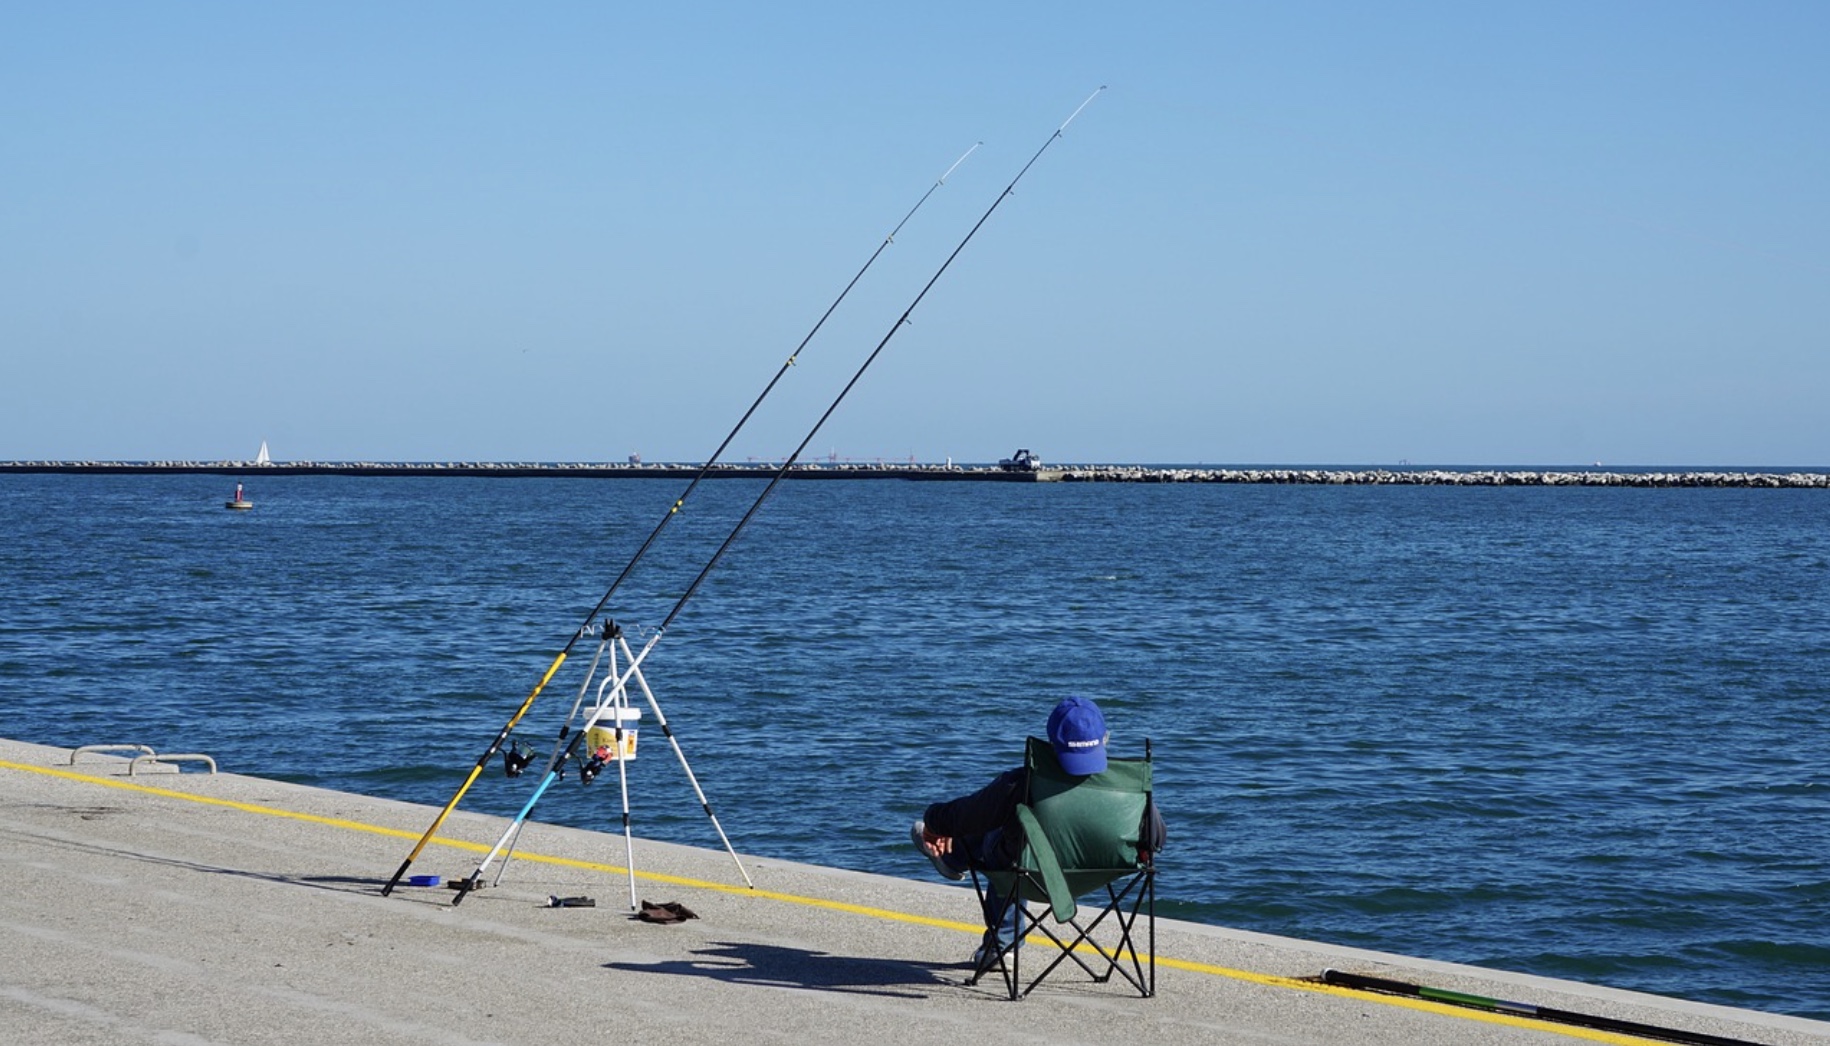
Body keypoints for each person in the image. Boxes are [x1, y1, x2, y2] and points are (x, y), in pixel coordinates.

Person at [911, 696, 1156, 964]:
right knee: (1010, 828)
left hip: (1030, 875)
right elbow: (1156, 838)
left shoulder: (1024, 783)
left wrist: (933, 822)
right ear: (1105, 739)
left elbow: (967, 814)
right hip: (1101, 875)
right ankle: (956, 861)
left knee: (1003, 829)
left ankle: (998, 939)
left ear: (1050, 743)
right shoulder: (1128, 788)